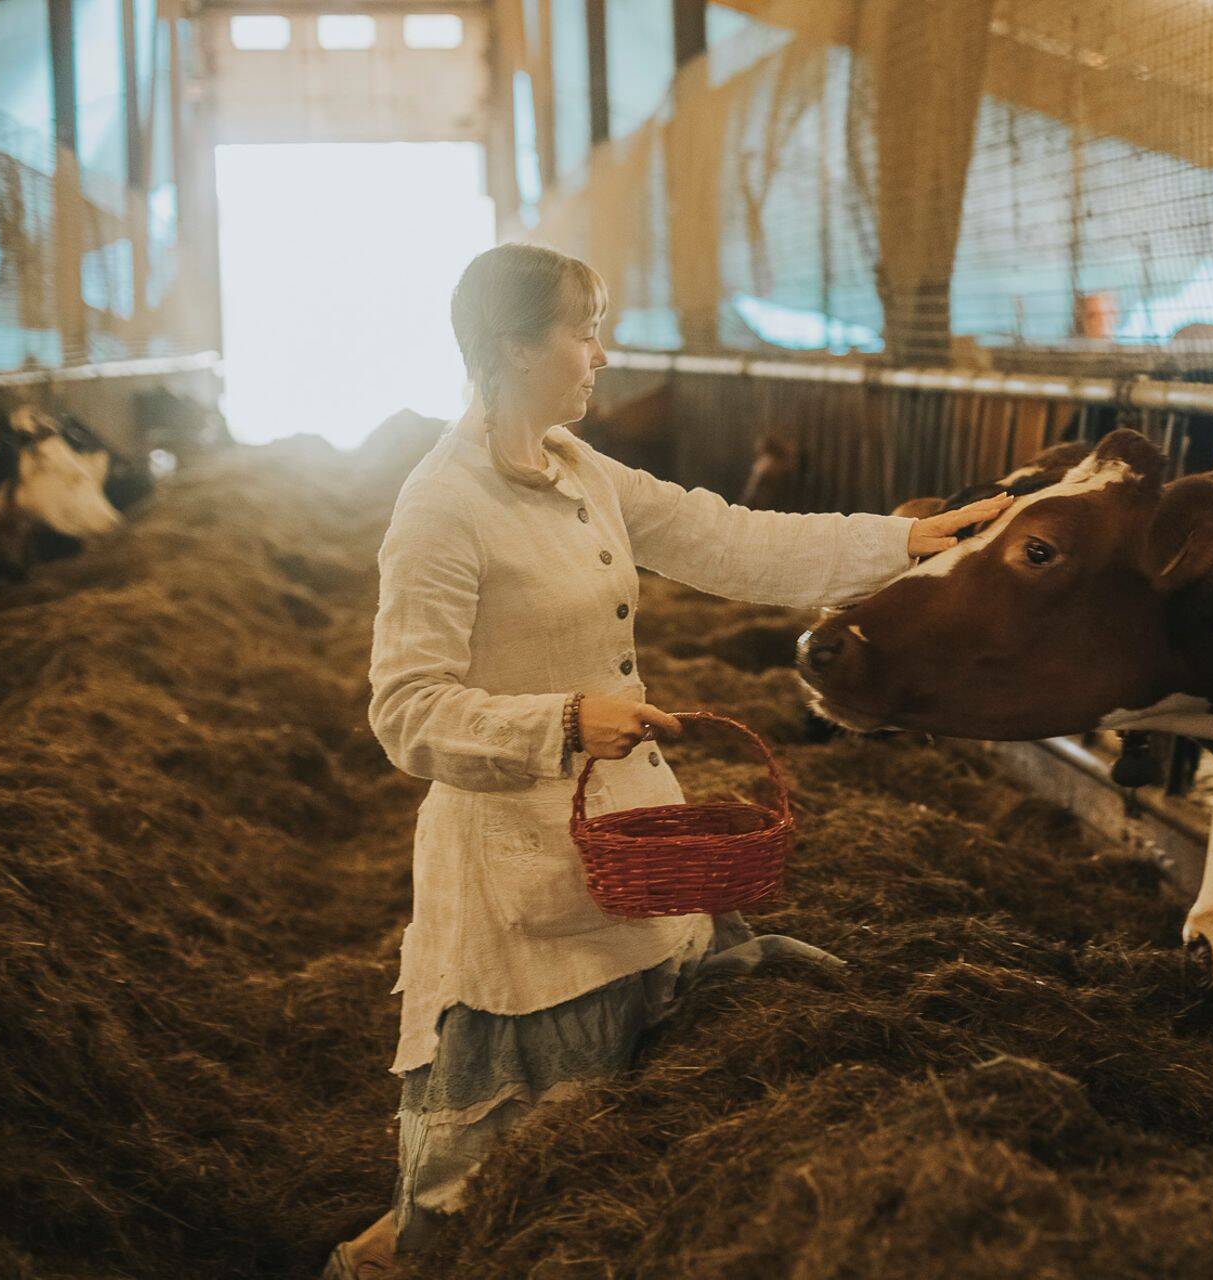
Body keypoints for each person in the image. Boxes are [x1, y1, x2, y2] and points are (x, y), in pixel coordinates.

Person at [325, 243, 1008, 1277]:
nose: (600, 352)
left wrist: (904, 546)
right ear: (512, 345)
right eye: (582, 328)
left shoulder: (578, 466)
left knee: (631, 1120)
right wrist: (561, 719)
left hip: (635, 844)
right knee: (484, 1183)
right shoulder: (441, 505)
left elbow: (729, 539)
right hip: (520, 869)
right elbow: (405, 710)